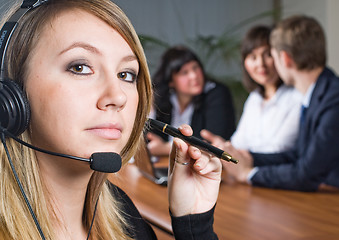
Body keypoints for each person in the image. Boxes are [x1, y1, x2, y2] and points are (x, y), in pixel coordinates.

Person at [0, 0, 222, 239]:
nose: (117, 96)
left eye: (126, 74)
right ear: (11, 95)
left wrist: (193, 224)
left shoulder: (128, 218)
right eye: (80, 67)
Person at [201, 15, 339, 193]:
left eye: (271, 56)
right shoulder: (318, 93)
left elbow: (306, 173)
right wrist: (249, 158)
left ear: (285, 59)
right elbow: (297, 155)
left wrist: (248, 174)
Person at [146, 45, 236, 156]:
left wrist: (165, 149)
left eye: (195, 68)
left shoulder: (216, 93)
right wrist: (150, 110)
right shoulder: (165, 99)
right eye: (184, 72)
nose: (194, 76)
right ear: (171, 81)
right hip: (168, 166)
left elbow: (213, 143)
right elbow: (149, 140)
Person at [230, 25, 302, 153]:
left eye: (268, 55)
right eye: (253, 57)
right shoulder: (254, 98)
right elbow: (238, 143)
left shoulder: (296, 96)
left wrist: (239, 154)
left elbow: (280, 148)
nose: (260, 64)